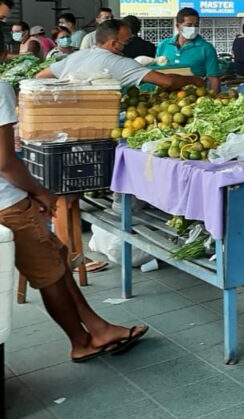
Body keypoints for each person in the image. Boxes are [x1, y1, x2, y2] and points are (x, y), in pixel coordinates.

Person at [0, 80, 149, 362]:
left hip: (8, 201)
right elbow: (5, 162)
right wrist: (40, 192)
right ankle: (80, 342)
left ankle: (98, 328)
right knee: (50, 276)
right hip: (6, 204)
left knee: (57, 256)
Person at [36, 20, 203, 91]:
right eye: (127, 41)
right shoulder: (122, 64)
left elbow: (40, 76)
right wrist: (193, 80)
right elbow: (168, 81)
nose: (128, 44)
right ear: (114, 44)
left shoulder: (77, 56)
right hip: (100, 129)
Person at [155, 8, 221, 93]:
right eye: (189, 25)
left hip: (194, 97)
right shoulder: (164, 45)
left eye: (196, 25)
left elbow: (213, 77)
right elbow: (157, 71)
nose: (193, 28)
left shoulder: (206, 48)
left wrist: (216, 98)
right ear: (178, 26)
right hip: (166, 98)